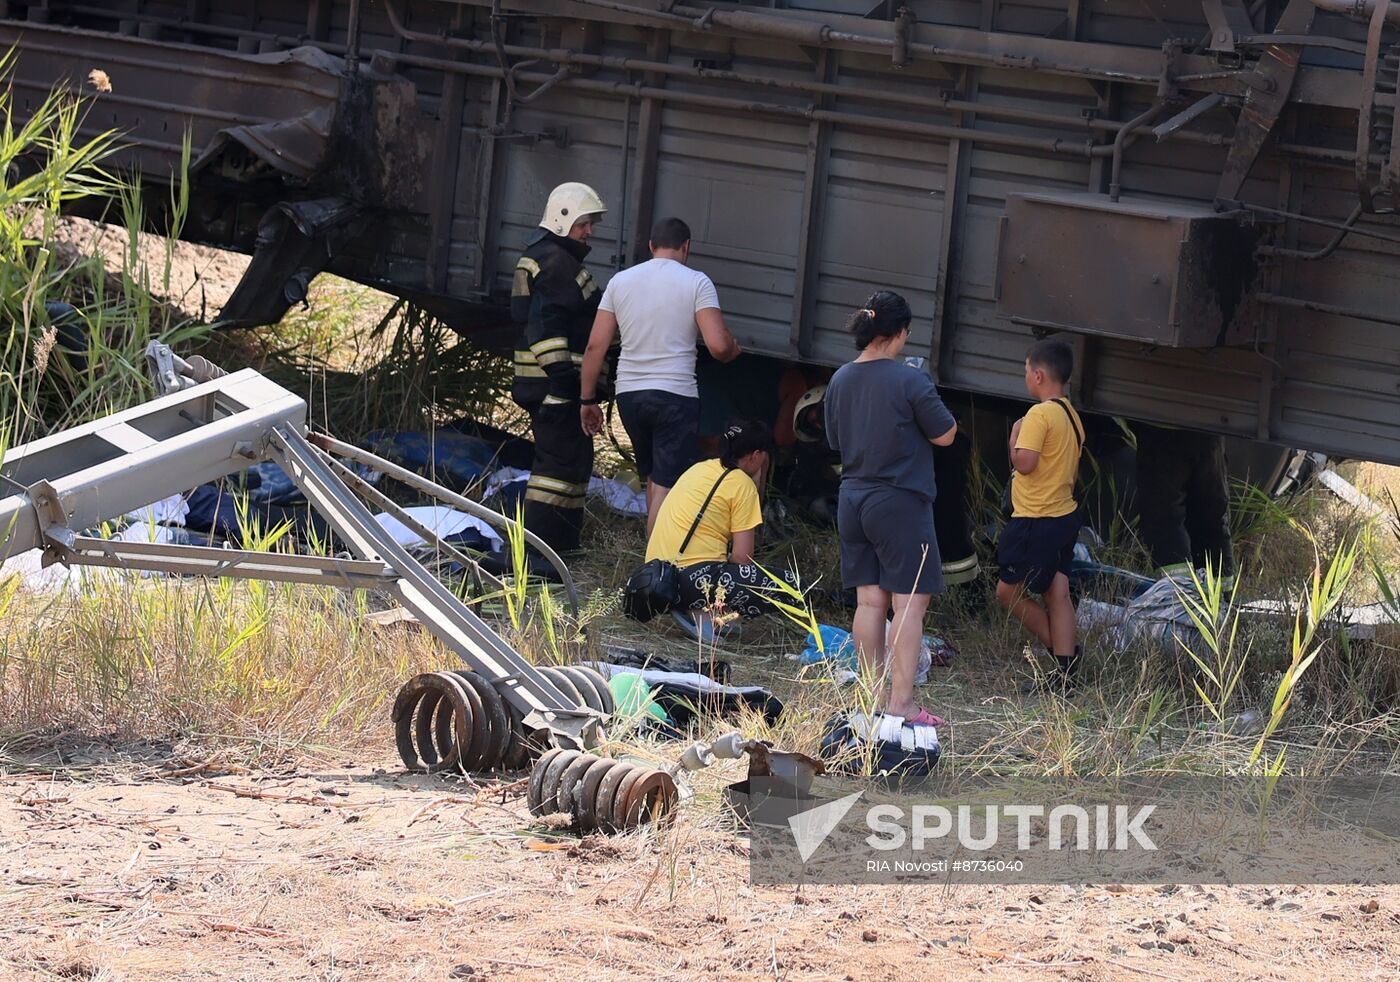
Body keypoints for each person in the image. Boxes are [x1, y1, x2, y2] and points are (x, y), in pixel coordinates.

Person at [823, 291, 958, 726]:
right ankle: (900, 703)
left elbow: (834, 441)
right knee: (909, 605)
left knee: (868, 603)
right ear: (900, 334)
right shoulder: (910, 380)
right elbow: (946, 435)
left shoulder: (841, 378)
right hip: (899, 500)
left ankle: (870, 696)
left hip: (853, 497)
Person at [579, 217, 742, 536]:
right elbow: (718, 346)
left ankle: (652, 564)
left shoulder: (620, 282)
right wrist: (734, 349)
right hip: (674, 397)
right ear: (687, 247)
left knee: (654, 478)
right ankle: (657, 569)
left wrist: (587, 399)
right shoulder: (697, 282)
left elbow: (595, 346)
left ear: (651, 247)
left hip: (630, 397)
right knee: (669, 486)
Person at [509, 182, 607, 553]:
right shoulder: (555, 263)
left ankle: (561, 546)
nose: (589, 231)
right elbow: (547, 330)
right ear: (563, 220)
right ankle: (538, 553)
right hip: (556, 386)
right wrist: (568, 385)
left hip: (553, 385)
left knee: (571, 464)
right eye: (585, 223)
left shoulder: (551, 258)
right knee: (557, 468)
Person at [644, 420, 799, 632]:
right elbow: (743, 558)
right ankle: (706, 613)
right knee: (790, 585)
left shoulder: (698, 468)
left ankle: (703, 611)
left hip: (658, 576)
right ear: (755, 456)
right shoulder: (742, 485)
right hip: (693, 582)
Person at [995, 338, 1085, 693]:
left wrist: (1014, 437)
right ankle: (1065, 675)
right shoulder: (1071, 416)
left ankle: (1066, 657)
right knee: (1057, 591)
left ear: (1038, 374)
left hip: (1035, 518)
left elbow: (1025, 463)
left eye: (1025, 372)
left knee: (1007, 591)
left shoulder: (1039, 414)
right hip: (1064, 515)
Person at [1133, 422, 1235, 585]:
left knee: (1164, 518)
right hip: (1210, 426)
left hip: (1160, 424)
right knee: (1211, 516)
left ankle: (1179, 596)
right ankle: (1220, 599)